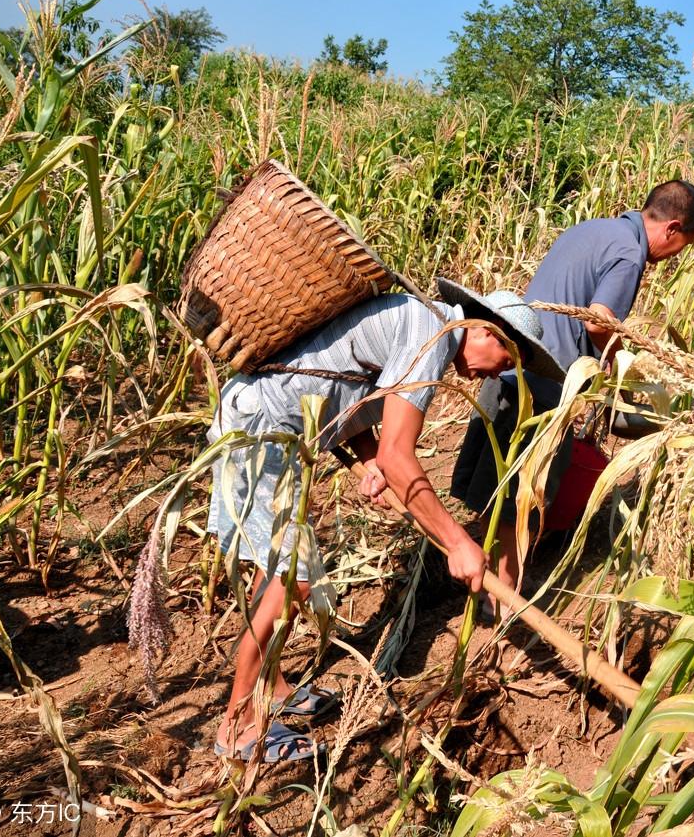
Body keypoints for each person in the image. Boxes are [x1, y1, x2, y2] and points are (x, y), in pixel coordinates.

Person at [210, 279, 563, 762]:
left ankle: (271, 687)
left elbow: (338, 390)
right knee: (287, 578)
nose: (494, 374)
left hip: (278, 427)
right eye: (506, 362)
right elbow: (401, 456)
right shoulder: (431, 335)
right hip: (262, 431)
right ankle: (238, 727)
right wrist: (458, 541)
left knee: (279, 574)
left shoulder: (424, 322)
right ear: (489, 333)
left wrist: (367, 460)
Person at [450, 180, 694, 613]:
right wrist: (622, 368)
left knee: (497, 486)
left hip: (506, 363)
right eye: (681, 247)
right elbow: (597, 321)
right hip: (544, 384)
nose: (672, 258)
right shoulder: (630, 254)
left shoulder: (591, 229)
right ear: (672, 228)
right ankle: (503, 601)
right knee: (525, 496)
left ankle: (481, 580)